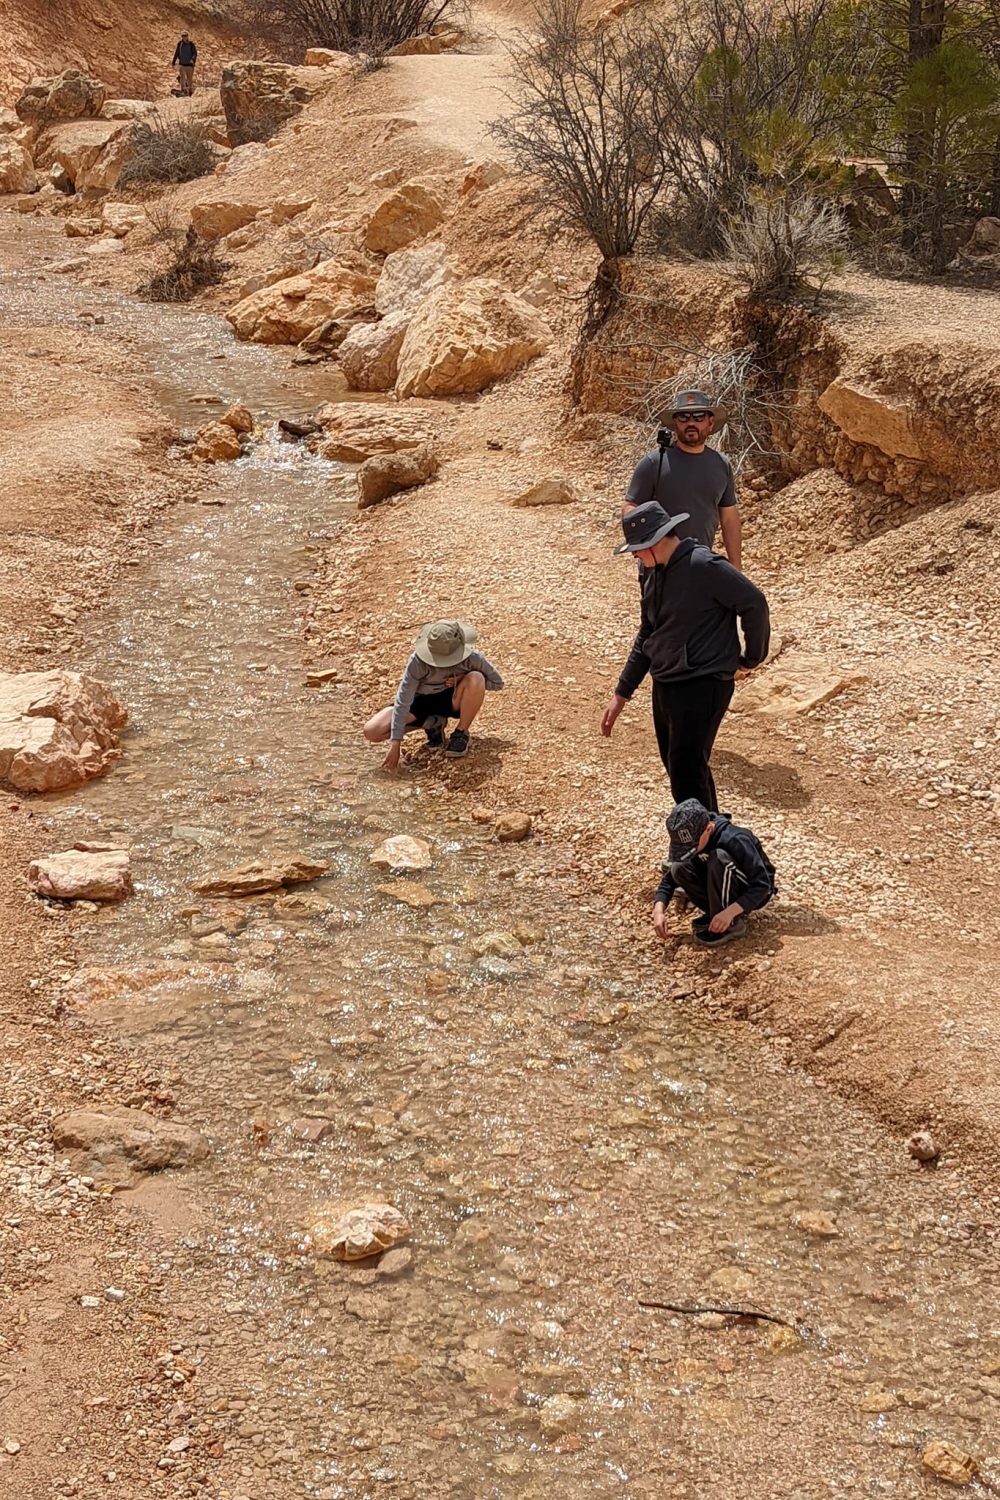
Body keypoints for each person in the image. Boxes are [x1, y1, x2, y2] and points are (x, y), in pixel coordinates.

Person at [601, 501, 769, 809]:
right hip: (666, 681)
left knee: (686, 770)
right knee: (682, 769)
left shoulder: (704, 566)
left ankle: (699, 849)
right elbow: (647, 633)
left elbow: (754, 602)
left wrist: (750, 659)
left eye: (637, 549)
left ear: (654, 542)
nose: (635, 555)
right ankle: (711, 841)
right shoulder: (650, 572)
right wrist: (621, 693)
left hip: (704, 682)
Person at [364, 619, 503, 769]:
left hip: (453, 700)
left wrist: (463, 678)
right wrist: (395, 742)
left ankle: (461, 732)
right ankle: (432, 723)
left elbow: (497, 683)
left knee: (476, 678)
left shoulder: (473, 658)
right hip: (420, 703)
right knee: (372, 731)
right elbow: (403, 700)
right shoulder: (417, 661)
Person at [625, 389, 742, 568]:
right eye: (684, 417)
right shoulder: (654, 462)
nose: (691, 423)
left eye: (698, 417)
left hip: (701, 563)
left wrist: (736, 567)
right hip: (659, 566)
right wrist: (644, 548)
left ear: (710, 423)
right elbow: (630, 508)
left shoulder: (721, 464)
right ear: (675, 424)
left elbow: (729, 519)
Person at [652, 798, 776, 947]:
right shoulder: (697, 839)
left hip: (751, 891)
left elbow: (763, 885)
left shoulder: (735, 839)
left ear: (709, 829)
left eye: (692, 847)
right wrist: (658, 910)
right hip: (721, 882)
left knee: (718, 858)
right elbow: (670, 879)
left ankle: (730, 923)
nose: (690, 851)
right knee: (678, 867)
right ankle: (715, 914)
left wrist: (729, 912)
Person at [172, 31, 198, 96]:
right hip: (182, 65)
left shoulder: (191, 44)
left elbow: (195, 53)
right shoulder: (180, 44)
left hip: (189, 66)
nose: (184, 37)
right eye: (183, 36)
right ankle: (183, 91)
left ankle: (190, 92)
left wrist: (193, 60)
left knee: (190, 79)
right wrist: (173, 62)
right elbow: (176, 53)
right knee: (182, 78)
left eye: (185, 36)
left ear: (187, 36)